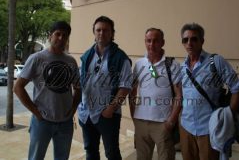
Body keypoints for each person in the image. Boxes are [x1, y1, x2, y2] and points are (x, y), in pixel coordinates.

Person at [13, 21, 81, 160]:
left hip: (65, 122)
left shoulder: (71, 61)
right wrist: (35, 111)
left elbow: (78, 88)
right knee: (36, 157)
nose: (61, 38)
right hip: (42, 121)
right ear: (50, 36)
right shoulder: (36, 59)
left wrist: (73, 108)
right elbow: (17, 87)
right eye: (58, 34)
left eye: (65, 35)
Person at [179, 23, 239, 160]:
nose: (189, 43)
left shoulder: (215, 61)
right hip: (186, 127)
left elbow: (237, 87)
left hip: (208, 128)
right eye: (185, 40)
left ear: (202, 41)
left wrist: (228, 115)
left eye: (194, 39)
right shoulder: (182, 67)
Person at [77, 16, 132, 160]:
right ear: (94, 33)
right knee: (90, 150)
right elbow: (81, 83)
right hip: (86, 114)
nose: (101, 33)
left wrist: (111, 109)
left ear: (112, 33)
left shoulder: (121, 57)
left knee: (112, 153)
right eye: (98, 30)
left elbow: (125, 87)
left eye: (106, 30)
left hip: (107, 114)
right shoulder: (86, 56)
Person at [129, 28, 182, 160]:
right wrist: (134, 117)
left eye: (156, 41)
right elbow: (132, 93)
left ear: (162, 42)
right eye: (148, 41)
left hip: (163, 123)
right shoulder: (139, 64)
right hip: (141, 122)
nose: (151, 44)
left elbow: (179, 95)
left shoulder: (172, 65)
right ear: (145, 42)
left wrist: (171, 121)